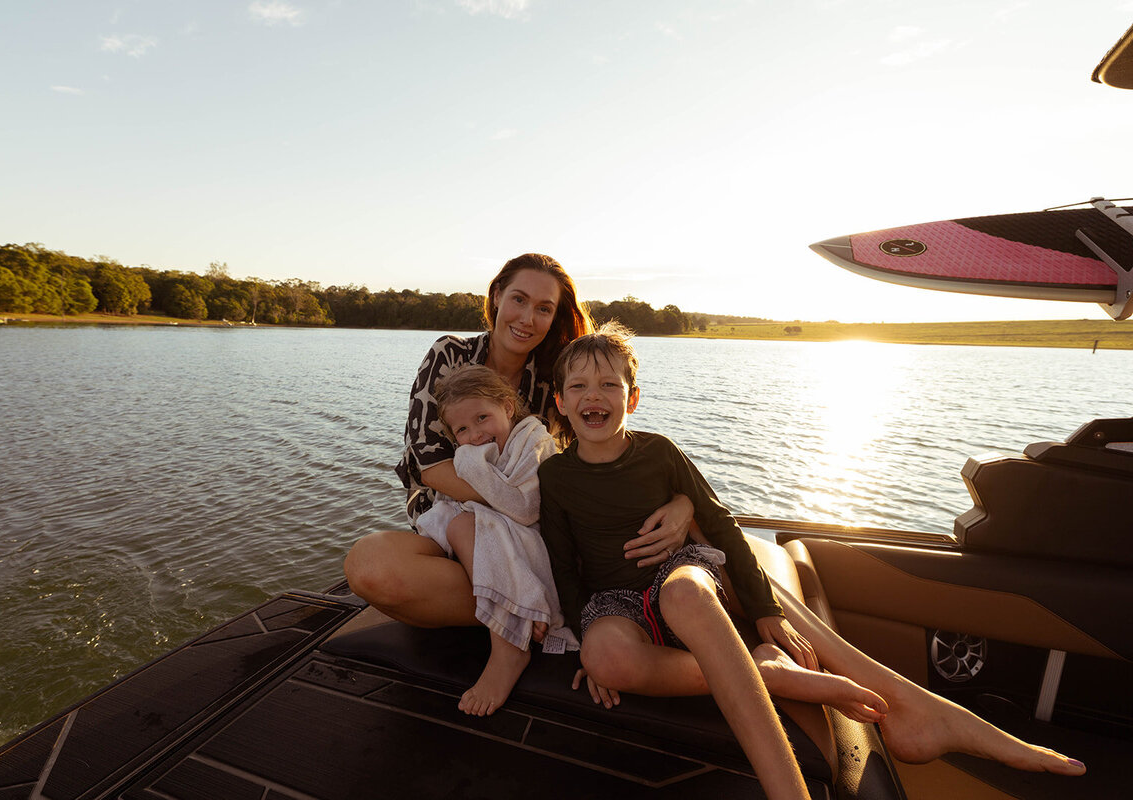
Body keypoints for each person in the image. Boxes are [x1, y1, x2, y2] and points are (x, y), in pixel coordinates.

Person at [540, 323, 1086, 784]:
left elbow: (722, 526)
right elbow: (565, 567)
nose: (595, 396)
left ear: (632, 397)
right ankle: (767, 675)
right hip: (616, 601)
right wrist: (580, 638)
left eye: (610, 384)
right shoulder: (555, 477)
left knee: (685, 592)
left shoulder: (659, 453)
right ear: (560, 402)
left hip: (678, 576)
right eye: (580, 386)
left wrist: (764, 610)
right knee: (605, 657)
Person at [344, 254, 694, 637]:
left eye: (544, 308)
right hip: (452, 534)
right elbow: (429, 464)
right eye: (519, 299)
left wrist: (683, 503)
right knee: (369, 565)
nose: (527, 318)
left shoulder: (555, 377)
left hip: (532, 542)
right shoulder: (450, 355)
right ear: (497, 296)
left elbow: (603, 453)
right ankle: (531, 609)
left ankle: (519, 608)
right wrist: (515, 502)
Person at [414, 364, 574, 716]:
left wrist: (472, 468)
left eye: (483, 418)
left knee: (460, 527)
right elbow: (454, 505)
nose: (475, 435)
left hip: (537, 540)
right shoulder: (475, 450)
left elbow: (526, 507)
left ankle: (508, 648)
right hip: (500, 537)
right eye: (462, 430)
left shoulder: (534, 440)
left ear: (507, 406)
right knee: (454, 525)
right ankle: (516, 610)